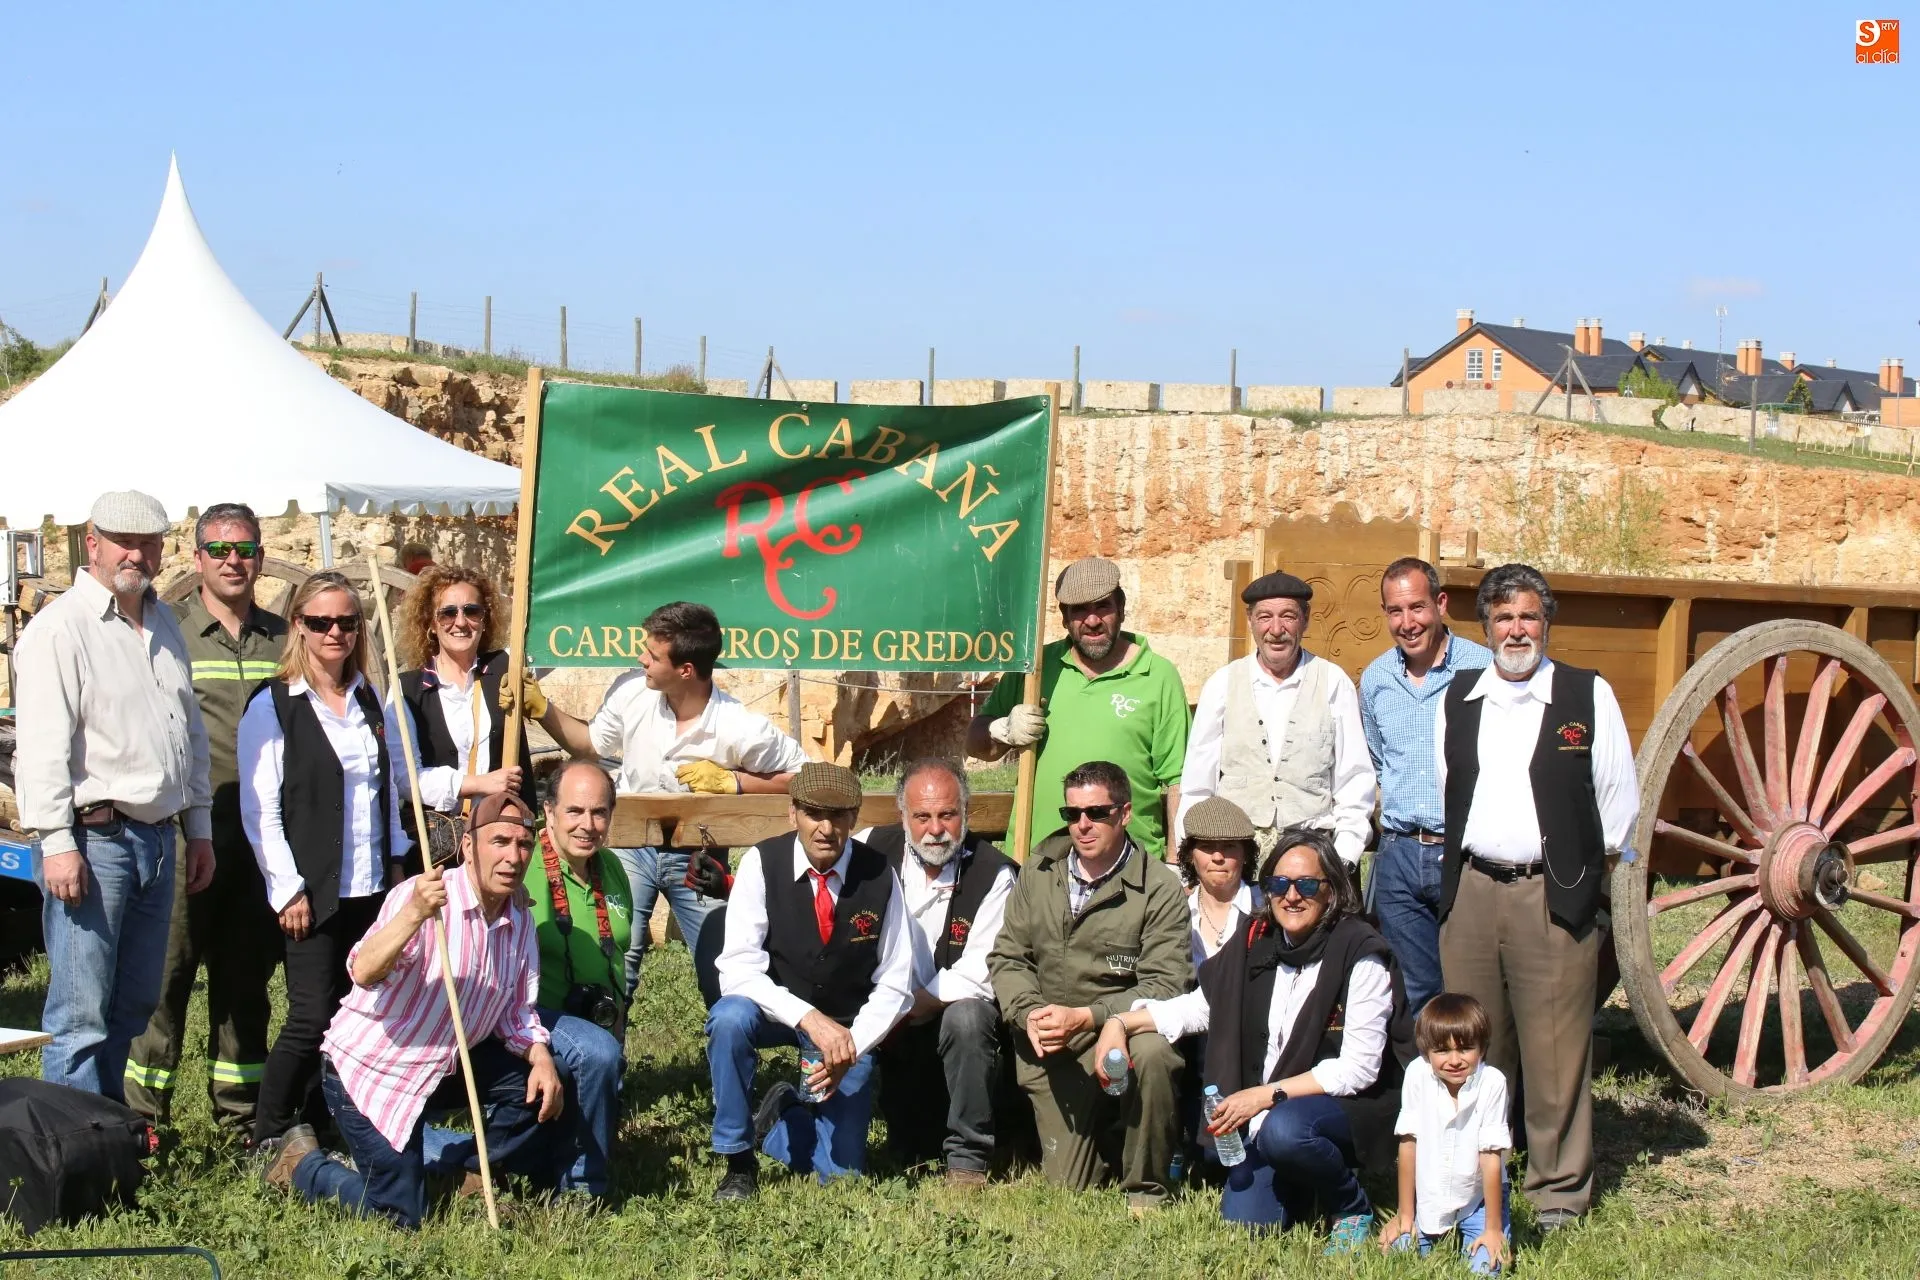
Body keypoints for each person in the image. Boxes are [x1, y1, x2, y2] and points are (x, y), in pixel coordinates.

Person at [1435, 563, 1638, 1231]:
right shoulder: (1460, 697)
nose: (1515, 629)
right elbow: (1450, 789)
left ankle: (1558, 1193)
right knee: (1472, 1049)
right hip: (1472, 891)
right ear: (1485, 627)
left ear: (1545, 624)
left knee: (1556, 1055)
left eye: (1527, 616)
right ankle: (1472, 1179)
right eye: (1503, 617)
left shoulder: (1584, 695)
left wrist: (1581, 889)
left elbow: (1616, 804)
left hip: (1550, 894)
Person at [261, 793, 567, 1230]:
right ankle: (301, 1166)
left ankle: (455, 1169)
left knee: (544, 1087)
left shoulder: (518, 916)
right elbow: (364, 970)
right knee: (400, 1216)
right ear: (468, 846)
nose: (512, 857)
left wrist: (541, 1057)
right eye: (499, 841)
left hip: (443, 1065)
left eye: (523, 845)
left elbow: (518, 1012)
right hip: (373, 1074)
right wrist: (413, 915)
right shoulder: (422, 899)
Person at [1095, 827, 1409, 1249]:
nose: (1291, 896)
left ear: (1332, 890)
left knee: (1286, 1131)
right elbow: (1199, 1007)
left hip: (1346, 1105)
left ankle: (1350, 1205)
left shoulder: (1360, 952)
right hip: (1270, 1110)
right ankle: (1303, 1181)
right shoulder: (1256, 941)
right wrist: (1120, 1023)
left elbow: (1359, 1069)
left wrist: (1263, 1095)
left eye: (1307, 884)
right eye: (1279, 884)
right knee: (1247, 1225)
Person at [13, 489, 215, 1101]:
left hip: (157, 838)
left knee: (132, 1005)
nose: (138, 553)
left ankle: (106, 1139)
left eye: (150, 542)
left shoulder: (163, 624)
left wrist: (198, 827)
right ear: (92, 544)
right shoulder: (61, 629)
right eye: (124, 541)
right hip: (93, 839)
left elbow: (190, 732)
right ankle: (67, 1158)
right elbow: (43, 746)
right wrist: (54, 841)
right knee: (80, 1015)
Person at [531, 600, 808, 996]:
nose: (641, 658)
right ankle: (609, 1052)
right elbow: (591, 744)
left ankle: (729, 1043)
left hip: (699, 854)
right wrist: (542, 708)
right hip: (630, 844)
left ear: (685, 670)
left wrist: (735, 782)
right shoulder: (632, 692)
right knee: (617, 958)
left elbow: (809, 777)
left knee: (722, 967)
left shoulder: (738, 725)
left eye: (653, 654)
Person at [125, 502, 288, 1137]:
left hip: (261, 844)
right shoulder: (170, 632)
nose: (232, 561)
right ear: (197, 560)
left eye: (243, 550)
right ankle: (142, 1121)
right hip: (189, 835)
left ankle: (239, 1120)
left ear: (260, 558)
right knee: (164, 982)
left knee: (246, 984)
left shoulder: (285, 638)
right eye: (218, 549)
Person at [239, 570, 415, 1149]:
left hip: (369, 885)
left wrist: (396, 861)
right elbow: (260, 808)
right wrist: (286, 889)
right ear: (299, 627)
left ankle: (325, 1120)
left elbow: (385, 785)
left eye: (346, 621)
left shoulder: (367, 695)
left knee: (353, 1015)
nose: (334, 631)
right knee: (310, 1016)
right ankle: (268, 1132)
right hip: (312, 888)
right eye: (320, 622)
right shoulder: (275, 705)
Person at [987, 760, 1192, 1214]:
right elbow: (1008, 957)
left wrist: (1095, 1018)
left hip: (1121, 1030)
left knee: (1156, 1052)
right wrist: (1029, 1015)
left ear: (1124, 814)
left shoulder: (1159, 887)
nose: (1083, 825)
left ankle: (1146, 1189)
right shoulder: (1039, 872)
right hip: (1053, 1040)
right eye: (1072, 813)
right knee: (1070, 1185)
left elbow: (1164, 984)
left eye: (1097, 813)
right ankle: (1115, 1135)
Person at [705, 763, 914, 1200]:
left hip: (844, 1028)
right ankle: (738, 1159)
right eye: (814, 814)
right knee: (728, 1019)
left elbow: (895, 982)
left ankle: (782, 1121)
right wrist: (807, 1017)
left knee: (841, 1178)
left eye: (838, 815)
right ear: (792, 814)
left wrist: (852, 1044)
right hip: (774, 1012)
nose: (825, 828)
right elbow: (738, 967)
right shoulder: (761, 863)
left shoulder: (880, 874)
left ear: (854, 819)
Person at [858, 758, 1016, 1186]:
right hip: (877, 1014)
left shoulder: (994, 873)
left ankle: (968, 1159)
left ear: (965, 814)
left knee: (969, 1015)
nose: (935, 829)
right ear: (902, 816)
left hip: (940, 1016)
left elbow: (981, 969)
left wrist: (906, 1010)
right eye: (922, 816)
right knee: (907, 1148)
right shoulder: (869, 848)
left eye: (947, 814)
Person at [968, 556, 1189, 858]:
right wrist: (1001, 730)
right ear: (1063, 617)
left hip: (1131, 871)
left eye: (1103, 606)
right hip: (1040, 864)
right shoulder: (1034, 671)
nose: (1093, 620)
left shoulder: (1158, 676)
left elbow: (1179, 781)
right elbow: (974, 744)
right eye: (1080, 610)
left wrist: (1177, 863)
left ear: (1121, 609)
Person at [1358, 557, 1491, 1013]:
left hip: (1464, 852)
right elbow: (1379, 760)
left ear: (1440, 603)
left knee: (1473, 985)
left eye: (1417, 608)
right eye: (1395, 611)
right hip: (1399, 853)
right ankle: (1427, 1084)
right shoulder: (1377, 679)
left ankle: (1485, 1084)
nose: (1407, 622)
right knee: (1418, 991)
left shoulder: (1482, 670)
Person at [1176, 571, 1374, 865]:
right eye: (1265, 616)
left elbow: (1354, 778)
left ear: (1305, 620)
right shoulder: (1222, 684)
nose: (1276, 629)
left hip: (1313, 852)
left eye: (1288, 616)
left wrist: (1344, 855)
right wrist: (1190, 855)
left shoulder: (1333, 682)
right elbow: (1198, 784)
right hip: (1237, 854)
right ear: (1251, 620)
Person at [526, 760, 630, 1198]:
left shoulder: (612, 868)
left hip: (598, 1012)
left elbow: (620, 951)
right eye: (574, 811)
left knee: (603, 1051)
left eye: (599, 812)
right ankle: (583, 1192)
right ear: (549, 812)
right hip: (535, 1015)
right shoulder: (523, 864)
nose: (588, 825)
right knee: (597, 1053)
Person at [1380, 993, 1512, 1275]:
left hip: (1478, 1199)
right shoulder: (1416, 1075)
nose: (1454, 1060)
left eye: (1465, 1049)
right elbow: (1408, 1143)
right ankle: (1423, 1228)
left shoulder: (1493, 1083)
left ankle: (1481, 1230)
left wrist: (1493, 1228)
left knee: (1487, 1267)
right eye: (1442, 1050)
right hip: (1431, 1193)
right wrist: (1406, 1214)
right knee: (1398, 1256)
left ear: (1483, 1048)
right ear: (1426, 1051)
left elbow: (1491, 1157)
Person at [396, 565, 532, 820]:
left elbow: (554, 638)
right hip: (442, 845)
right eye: (447, 613)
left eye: (472, 611)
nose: (460, 622)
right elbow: (406, 779)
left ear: (484, 619)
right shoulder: (406, 690)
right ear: (431, 624)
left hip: (507, 834)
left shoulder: (508, 668)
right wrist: (479, 784)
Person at [1173, 796, 1263, 967]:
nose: (1217, 857)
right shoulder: (1174, 910)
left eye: (1228, 846)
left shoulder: (1267, 907)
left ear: (1245, 855)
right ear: (1190, 855)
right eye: (1206, 847)